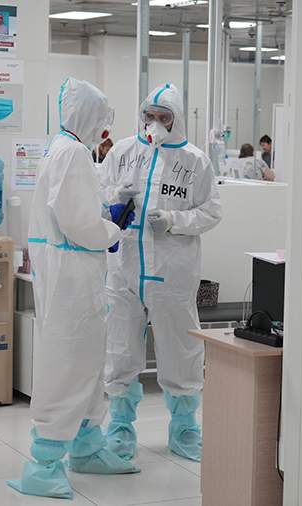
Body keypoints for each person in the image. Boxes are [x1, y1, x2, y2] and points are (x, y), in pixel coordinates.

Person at [7, 77, 139, 500]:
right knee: (69, 364)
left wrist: (103, 214)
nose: (104, 128)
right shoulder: (74, 152)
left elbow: (73, 208)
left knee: (86, 361)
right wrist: (111, 228)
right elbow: (78, 223)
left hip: (70, 269)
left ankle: (86, 446)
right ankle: (43, 465)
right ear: (88, 115)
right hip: (73, 275)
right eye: (101, 118)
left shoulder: (62, 147)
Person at [99, 83, 222, 463]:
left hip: (172, 273)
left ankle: (184, 428)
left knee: (180, 350)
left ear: (176, 119)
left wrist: (173, 220)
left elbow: (212, 211)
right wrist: (115, 200)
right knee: (120, 348)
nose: (154, 123)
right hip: (124, 270)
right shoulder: (122, 152)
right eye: (149, 116)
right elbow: (98, 199)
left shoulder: (195, 161)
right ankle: (120, 429)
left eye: (163, 117)